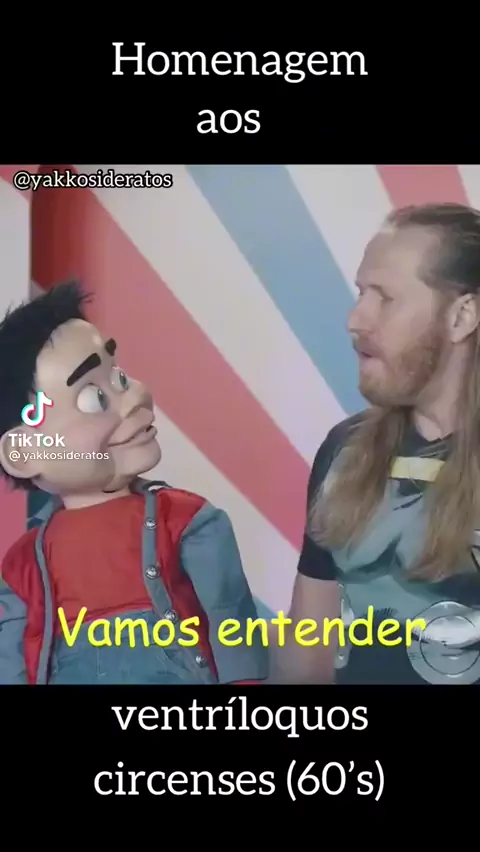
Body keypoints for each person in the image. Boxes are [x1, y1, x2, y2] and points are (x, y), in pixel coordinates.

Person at [0, 281, 268, 685]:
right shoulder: (22, 566)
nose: (135, 396)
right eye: (94, 398)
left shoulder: (189, 522)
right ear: (23, 453)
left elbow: (230, 619)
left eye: (120, 378)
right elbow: (11, 660)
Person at [273, 203, 480, 685]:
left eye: (385, 298)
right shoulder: (344, 450)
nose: (356, 319)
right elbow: (308, 650)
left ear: (462, 316)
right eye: (361, 293)